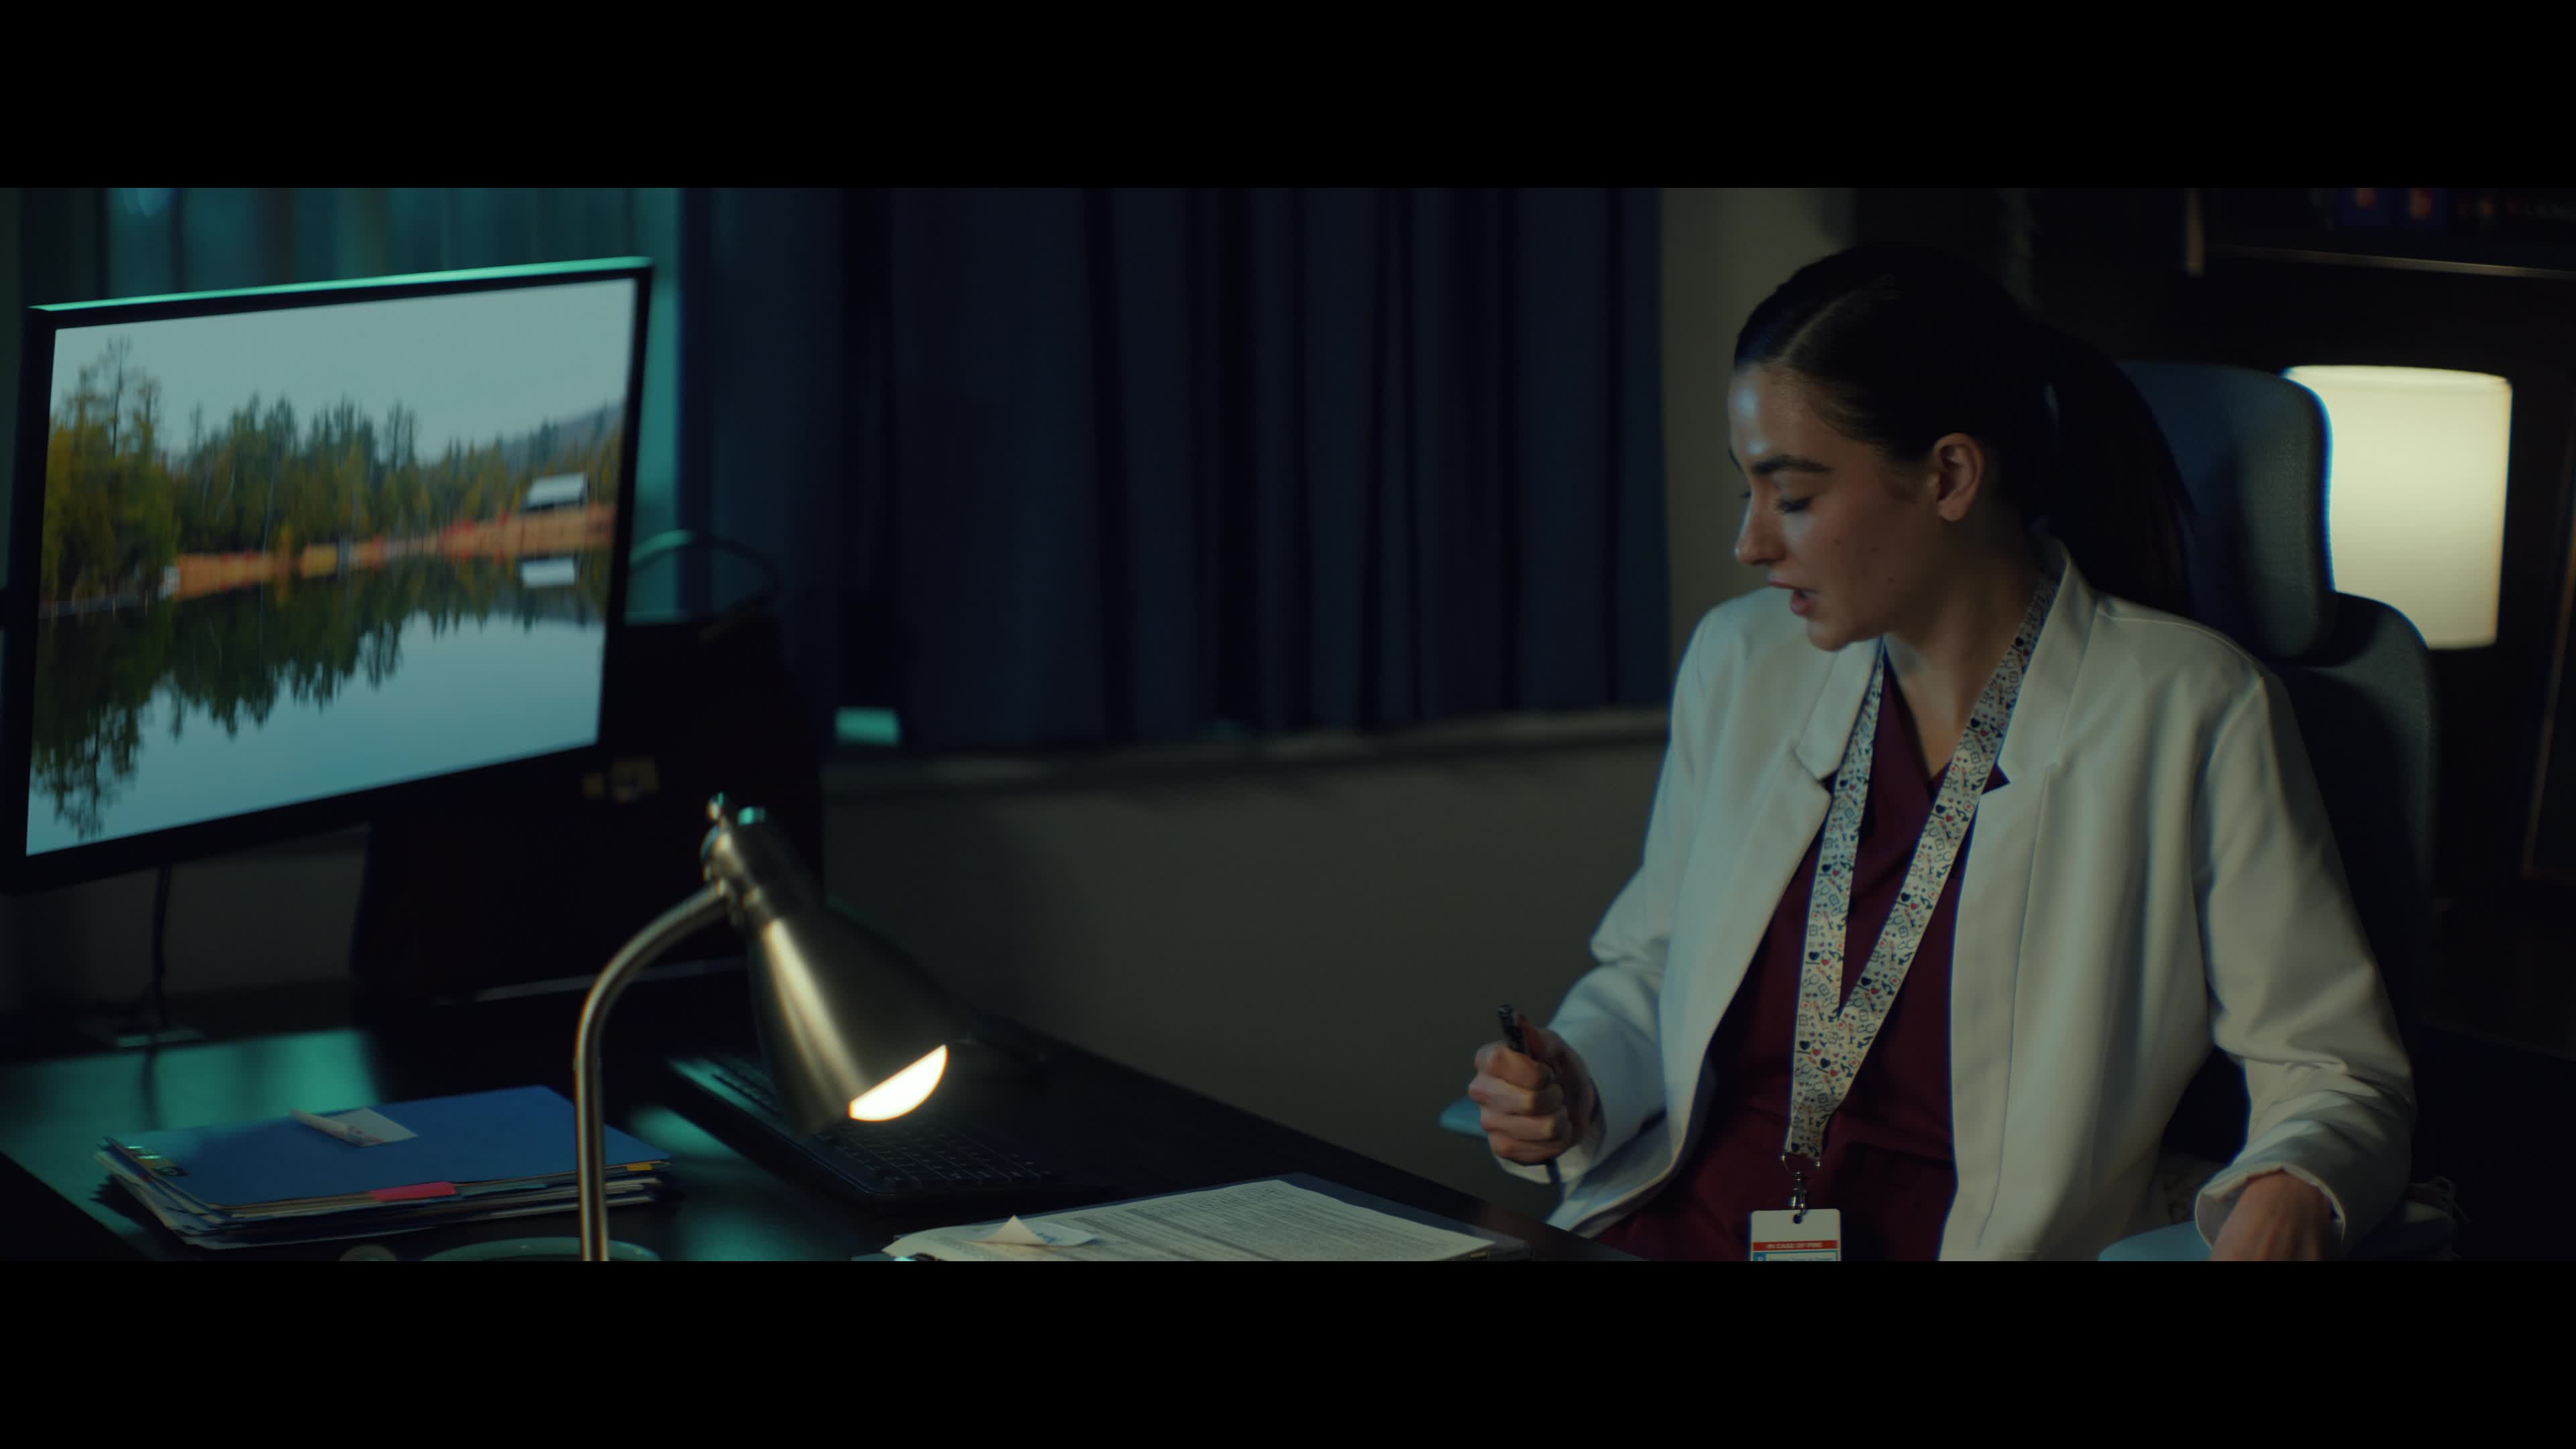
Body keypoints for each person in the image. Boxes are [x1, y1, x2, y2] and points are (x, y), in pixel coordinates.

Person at [1466, 244, 2413, 1260]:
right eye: (1749, 492)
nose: (1751, 544)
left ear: (1950, 476)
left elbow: (2332, 1069)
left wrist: (2292, 1182)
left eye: (1793, 497)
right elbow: (1655, 967)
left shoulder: (2187, 706)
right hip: (1681, 1223)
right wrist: (1577, 1077)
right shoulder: (1741, 662)